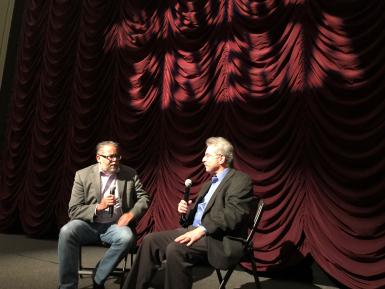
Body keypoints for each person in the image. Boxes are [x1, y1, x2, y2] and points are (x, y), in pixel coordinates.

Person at [122, 136, 253, 289]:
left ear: (221, 158)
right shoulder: (208, 184)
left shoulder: (240, 180)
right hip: (195, 230)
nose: (203, 159)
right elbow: (194, 218)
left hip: (218, 238)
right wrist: (186, 213)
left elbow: (233, 214)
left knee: (176, 249)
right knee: (150, 240)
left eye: (207, 156)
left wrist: (202, 230)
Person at [58, 141, 150, 289]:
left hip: (115, 225)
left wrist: (130, 214)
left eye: (117, 156)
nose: (115, 160)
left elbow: (144, 198)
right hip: (88, 225)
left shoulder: (129, 173)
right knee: (66, 231)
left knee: (126, 237)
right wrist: (98, 207)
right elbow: (73, 210)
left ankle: (99, 277)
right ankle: (67, 285)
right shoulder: (83, 175)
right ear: (98, 157)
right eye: (110, 157)